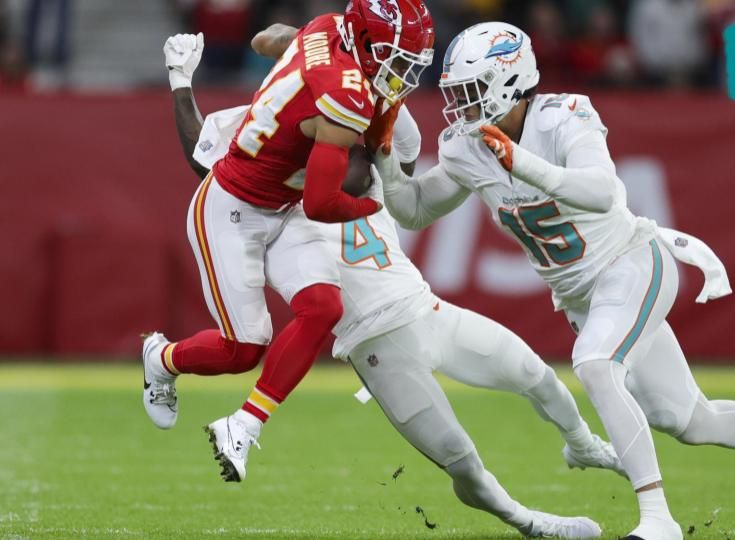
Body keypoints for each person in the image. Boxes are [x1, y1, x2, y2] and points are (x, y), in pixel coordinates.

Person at [372, 22, 735, 539]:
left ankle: (658, 520)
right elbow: (414, 210)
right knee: (689, 420)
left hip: (631, 265)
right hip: (582, 294)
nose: (463, 109)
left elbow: (602, 192)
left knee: (594, 363)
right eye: (457, 96)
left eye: (471, 94)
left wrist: (522, 162)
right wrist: (386, 160)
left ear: (509, 81)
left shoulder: (565, 115)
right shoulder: (464, 146)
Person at [157, 33, 622, 540]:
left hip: (422, 306)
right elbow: (205, 162)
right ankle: (529, 523)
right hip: (375, 343)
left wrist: (302, 47)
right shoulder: (267, 155)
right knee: (462, 461)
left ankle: (581, 442)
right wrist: (182, 82)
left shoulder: (364, 113)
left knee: (535, 373)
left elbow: (385, 128)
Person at [141, 0, 435, 484]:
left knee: (323, 308)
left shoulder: (330, 30)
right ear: (365, 44)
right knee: (242, 349)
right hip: (233, 210)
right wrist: (372, 205)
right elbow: (322, 204)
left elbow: (268, 38)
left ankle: (244, 424)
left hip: (285, 201)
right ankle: (160, 358)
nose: (403, 70)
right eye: (396, 56)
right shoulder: (344, 96)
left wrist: (300, 51)